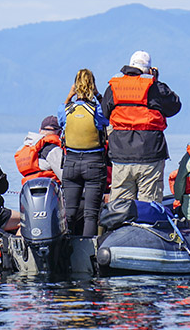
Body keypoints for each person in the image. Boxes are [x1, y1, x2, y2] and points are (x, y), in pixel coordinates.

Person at [101, 50, 181, 202]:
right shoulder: (155, 87)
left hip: (120, 154)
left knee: (120, 205)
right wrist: (156, 81)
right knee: (149, 204)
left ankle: (122, 225)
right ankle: (146, 225)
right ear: (149, 70)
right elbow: (174, 106)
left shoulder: (113, 86)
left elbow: (104, 113)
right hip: (150, 154)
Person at [57, 68, 109, 236]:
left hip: (71, 162)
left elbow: (60, 119)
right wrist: (98, 95)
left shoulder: (65, 110)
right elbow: (108, 116)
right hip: (94, 162)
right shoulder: (97, 110)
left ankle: (67, 252)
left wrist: (69, 95)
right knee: (91, 214)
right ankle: (87, 255)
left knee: (69, 214)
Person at [14, 115, 64, 184]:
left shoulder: (25, 148)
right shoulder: (53, 150)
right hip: (50, 188)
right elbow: (64, 176)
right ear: (60, 133)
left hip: (28, 187)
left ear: (40, 130)